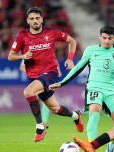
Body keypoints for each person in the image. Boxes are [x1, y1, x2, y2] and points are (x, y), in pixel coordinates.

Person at [49, 25, 114, 152]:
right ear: (99, 36)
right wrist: (62, 83)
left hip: (112, 90)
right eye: (104, 38)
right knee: (94, 112)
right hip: (94, 87)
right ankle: (91, 147)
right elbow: (78, 67)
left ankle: (110, 144)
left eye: (110, 38)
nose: (107, 41)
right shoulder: (91, 50)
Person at [8, 7, 84, 142]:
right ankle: (76, 116)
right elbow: (11, 56)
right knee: (55, 109)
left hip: (50, 73)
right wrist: (23, 56)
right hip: (34, 76)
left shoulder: (52, 33)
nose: (35, 21)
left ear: (42, 19)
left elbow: (72, 41)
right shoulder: (22, 36)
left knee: (28, 92)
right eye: (31, 18)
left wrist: (70, 58)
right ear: (27, 20)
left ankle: (40, 127)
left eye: (37, 18)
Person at [19, 59, 62, 128]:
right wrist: (32, 73)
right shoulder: (28, 55)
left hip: (46, 81)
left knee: (44, 100)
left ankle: (43, 122)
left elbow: (58, 72)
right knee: (41, 101)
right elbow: (22, 67)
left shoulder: (51, 57)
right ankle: (41, 121)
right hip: (35, 82)